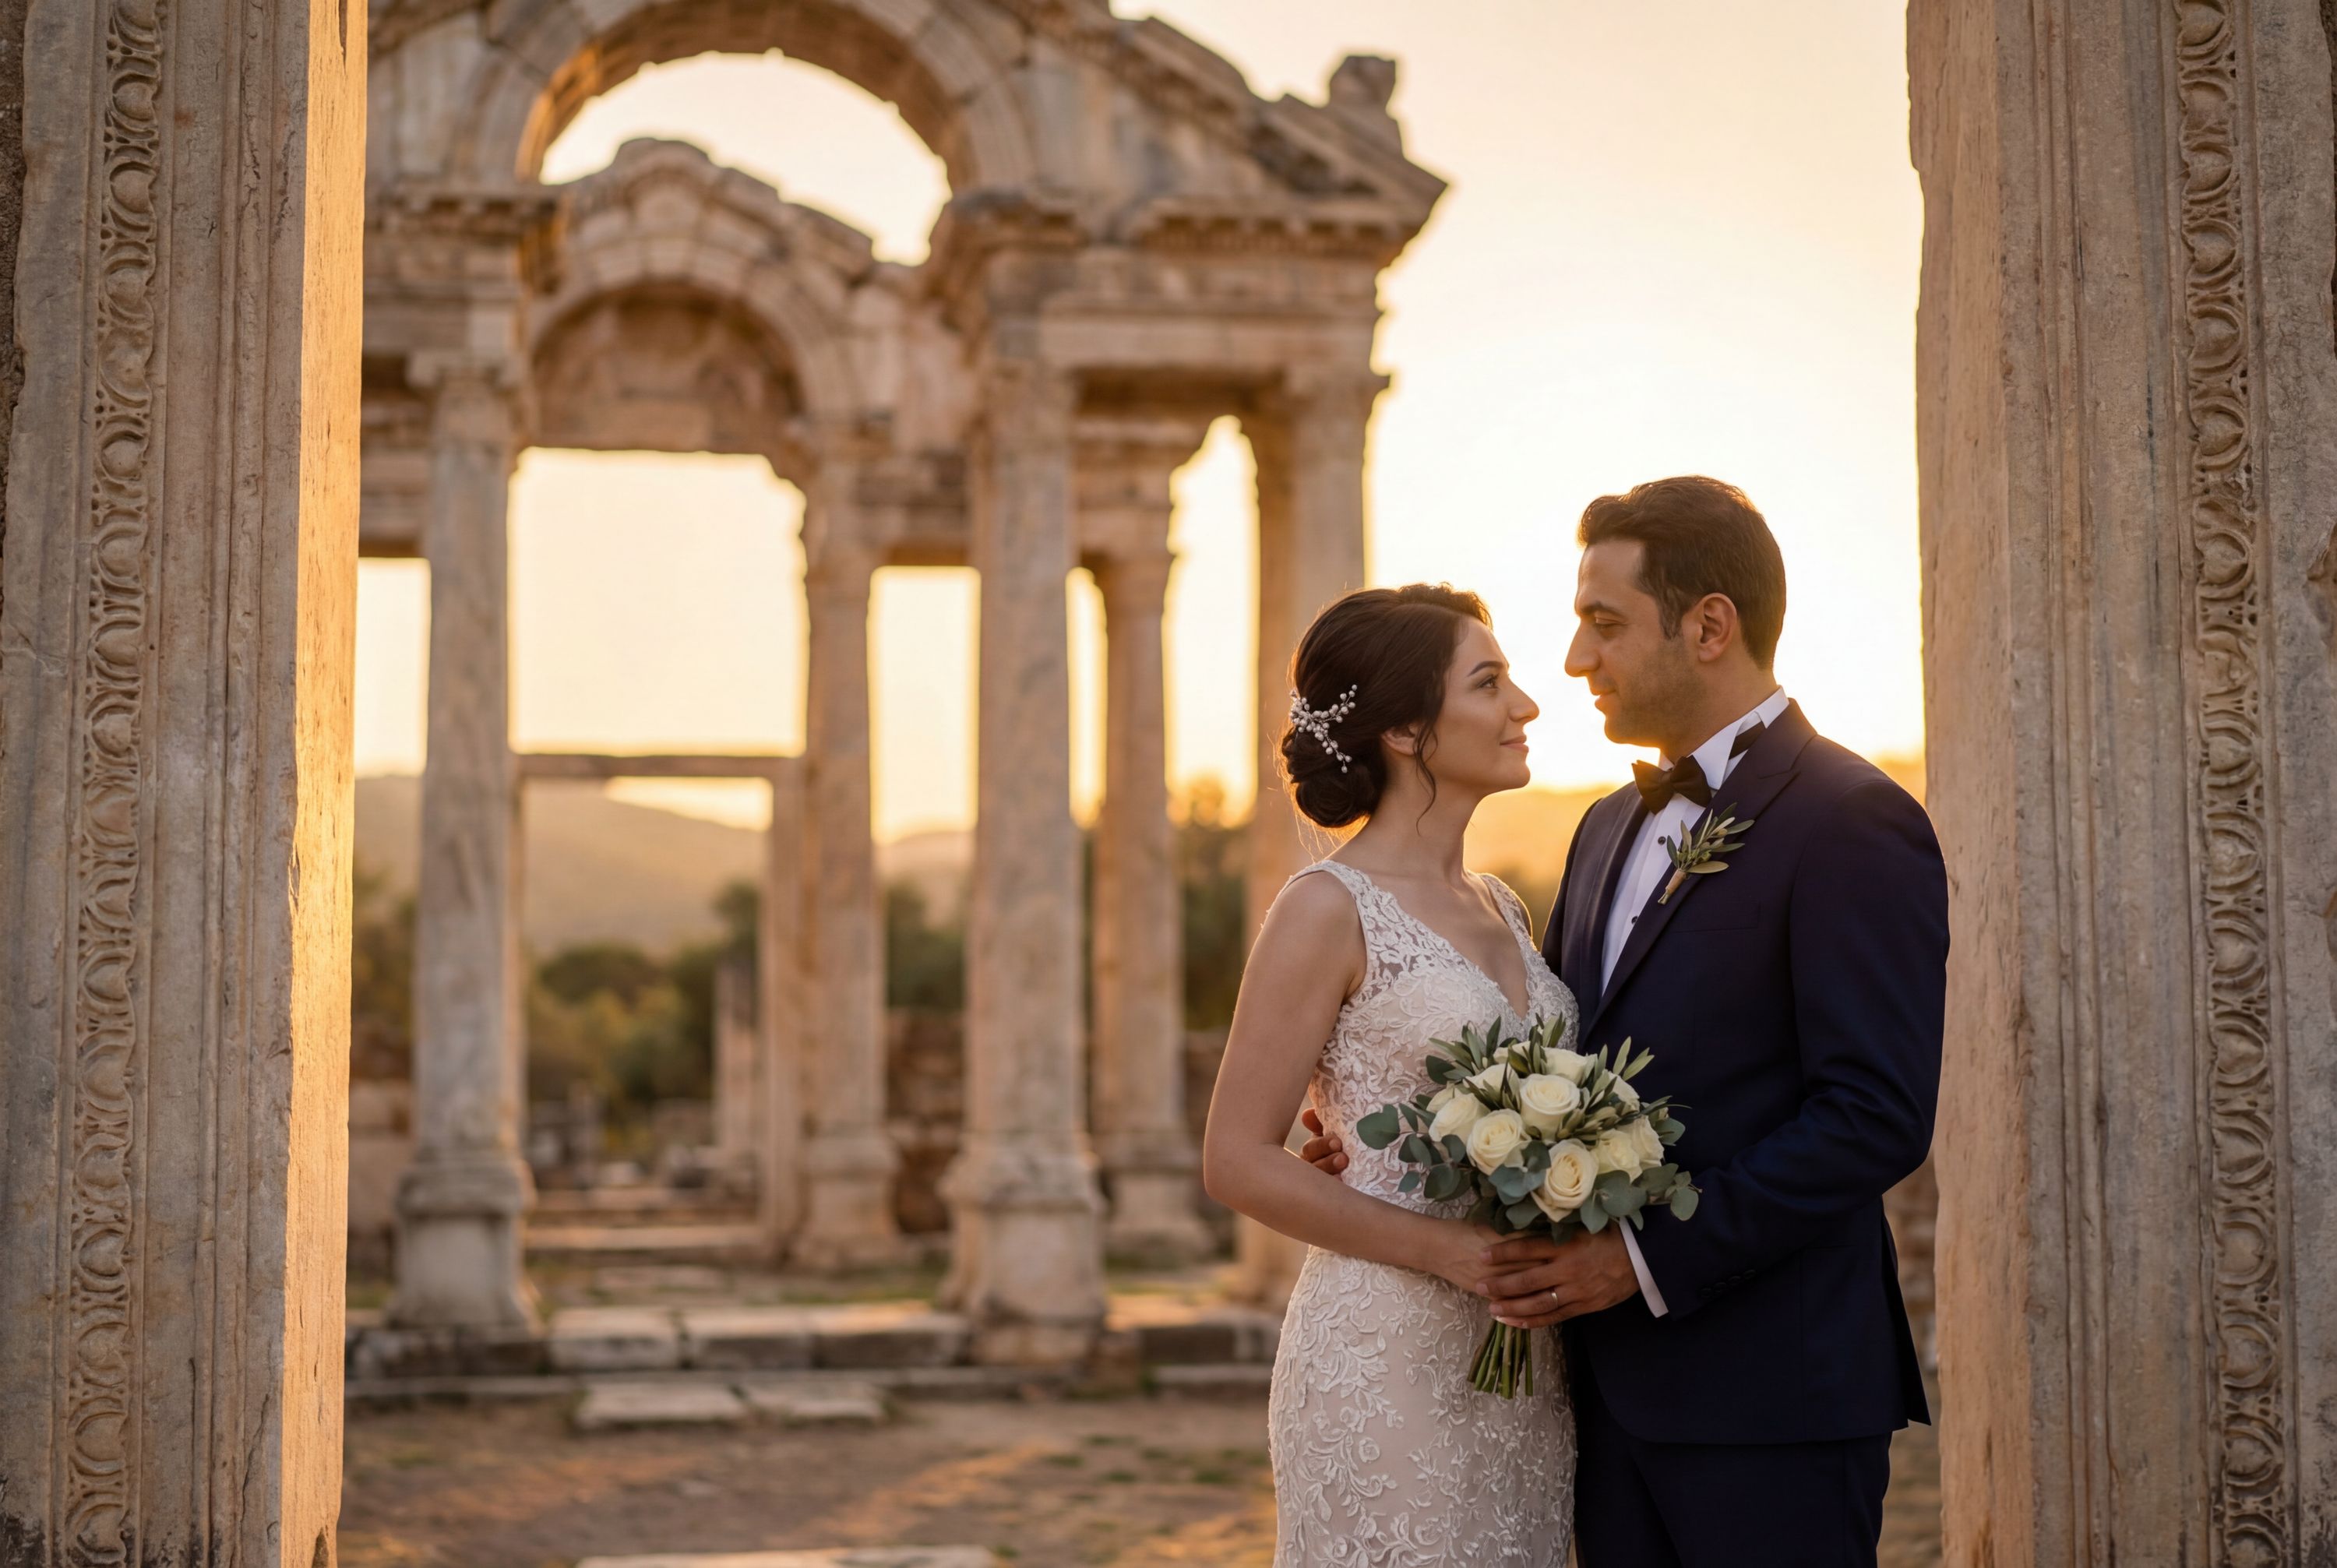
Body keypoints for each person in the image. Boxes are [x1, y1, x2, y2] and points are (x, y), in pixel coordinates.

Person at [1297, 476, 1947, 1566]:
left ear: (1708, 627)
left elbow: (1875, 1116)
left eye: (1603, 623)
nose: (1573, 662)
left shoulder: (1854, 820)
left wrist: (1639, 1259)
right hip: (1592, 1402)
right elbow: (1548, 1064)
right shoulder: (1600, 831)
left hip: (1772, 1401)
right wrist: (1401, 1134)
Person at [1201, 583, 1576, 1565]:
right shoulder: (1325, 907)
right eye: (1490, 683)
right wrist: (1447, 1252)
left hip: (1524, 1363)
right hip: (1386, 1356)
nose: (1524, 706)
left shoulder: (1502, 904)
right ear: (1408, 729)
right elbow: (1237, 1159)